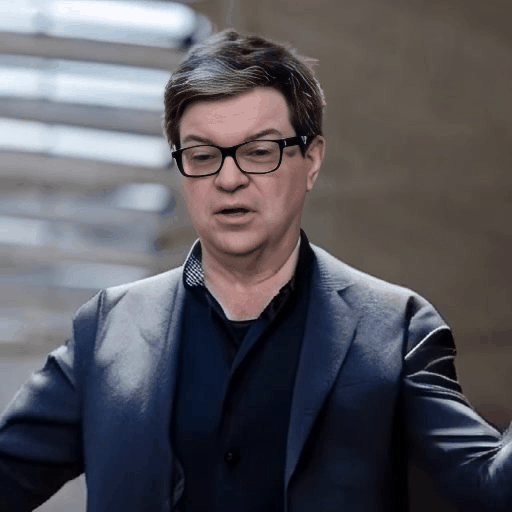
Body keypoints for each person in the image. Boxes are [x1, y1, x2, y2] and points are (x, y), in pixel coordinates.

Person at [0, 28, 511, 512]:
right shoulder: (106, 329)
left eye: (259, 152)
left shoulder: (395, 328)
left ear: (312, 160)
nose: (229, 179)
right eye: (202, 155)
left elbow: (490, 487)